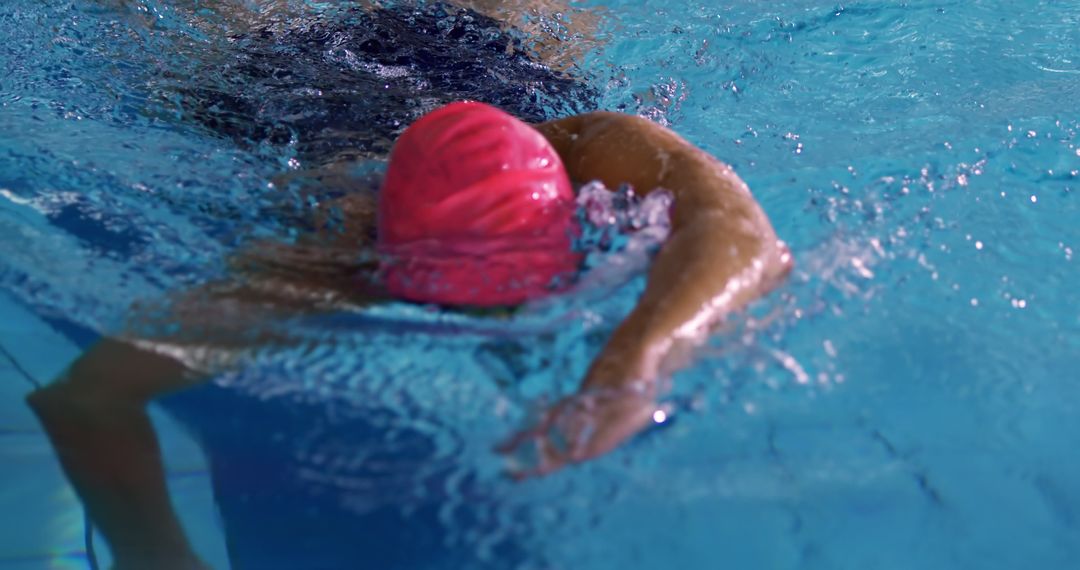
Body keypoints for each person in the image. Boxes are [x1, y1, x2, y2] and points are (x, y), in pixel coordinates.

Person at [27, 3, 791, 569]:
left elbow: (750, 244)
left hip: (482, 47)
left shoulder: (599, 147)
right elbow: (84, 399)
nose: (507, 319)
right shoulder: (315, 269)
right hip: (287, 83)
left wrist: (635, 368)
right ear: (391, 273)